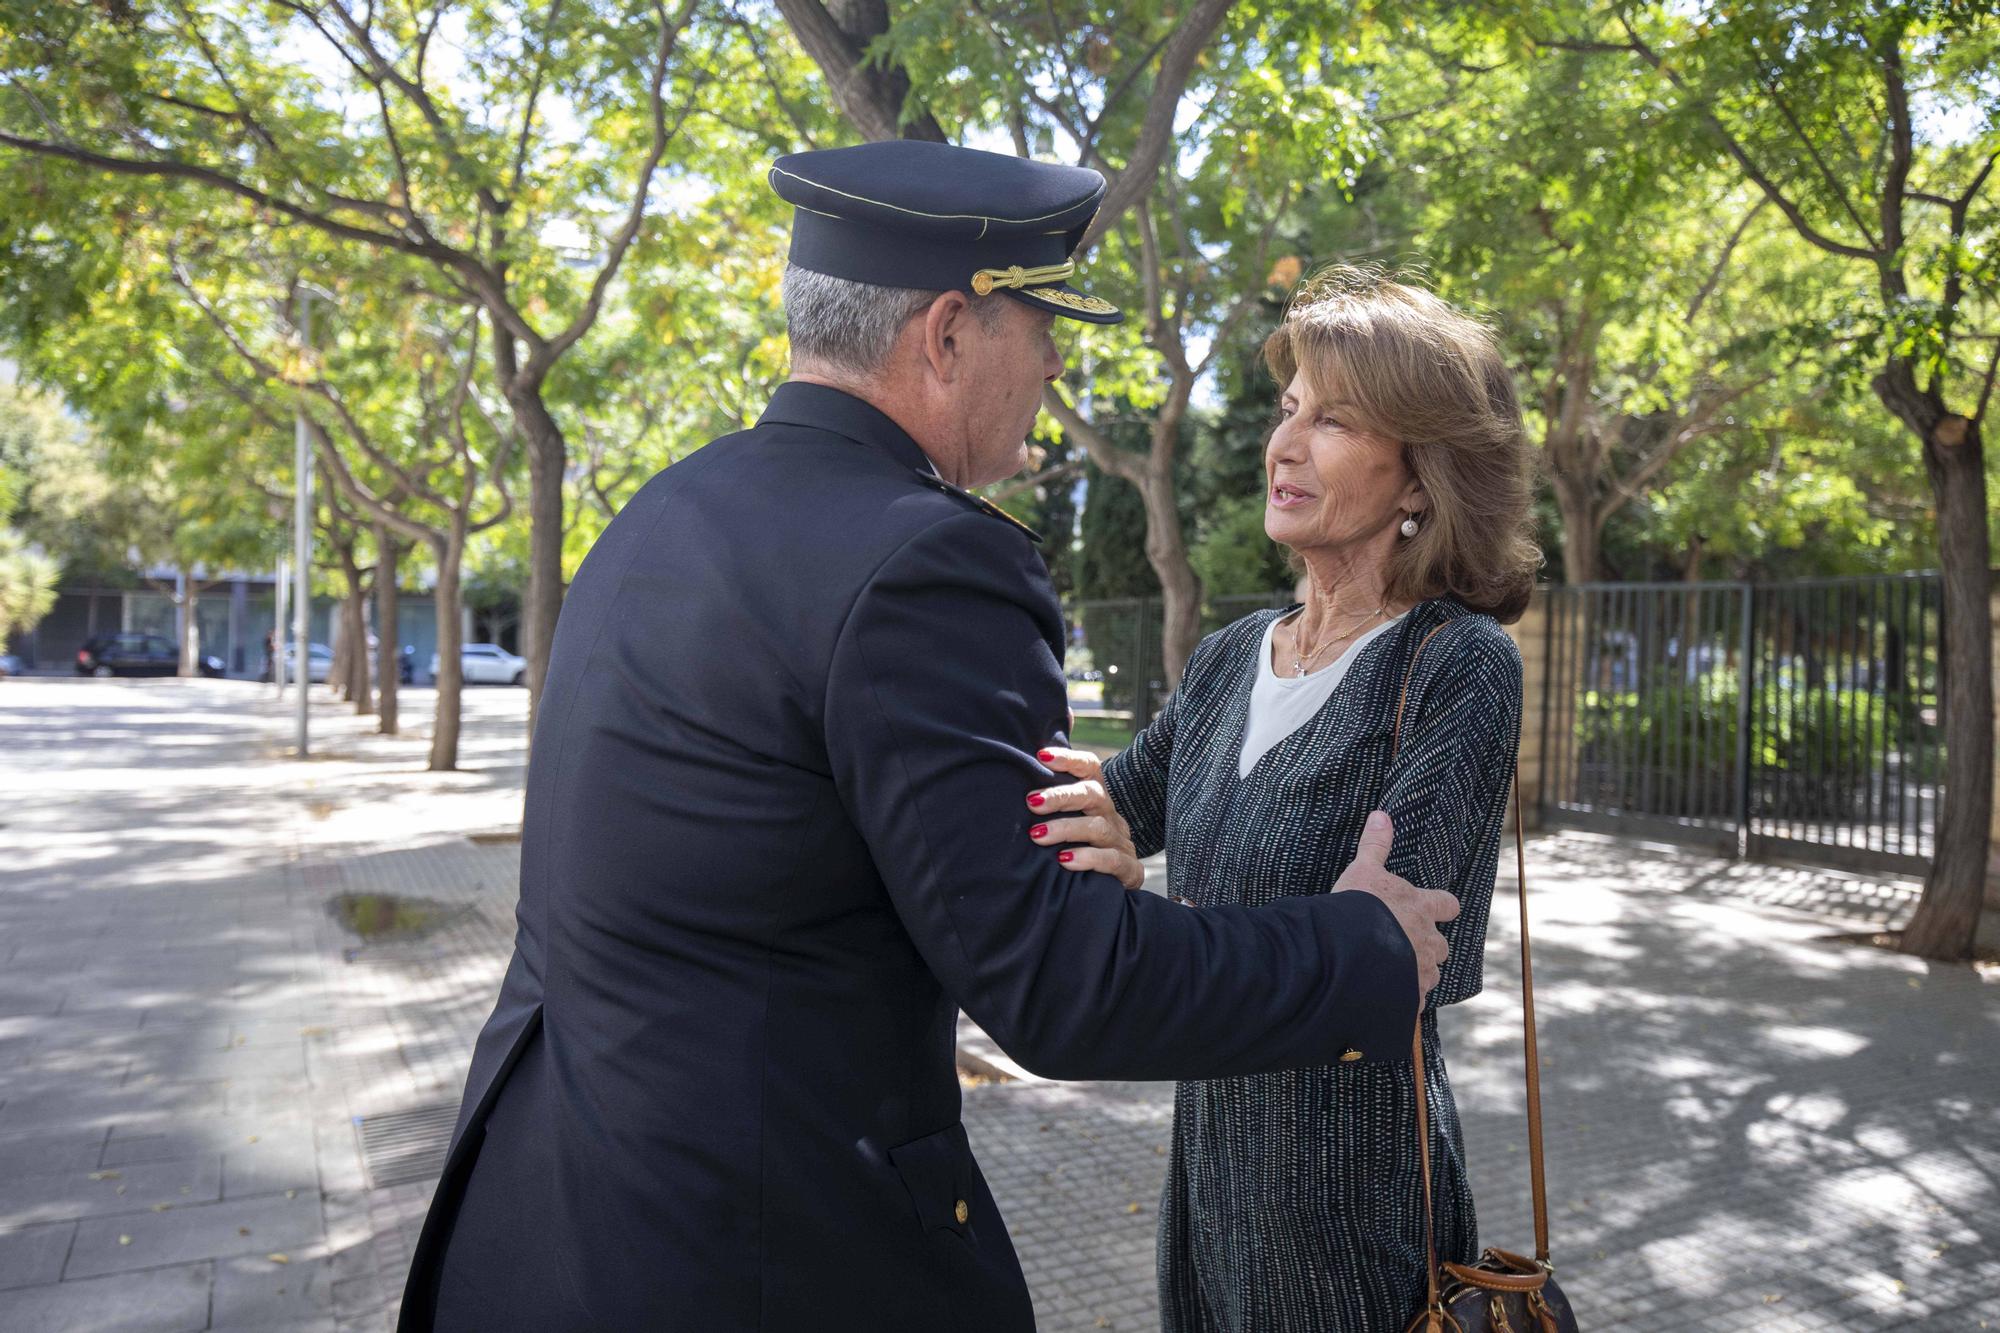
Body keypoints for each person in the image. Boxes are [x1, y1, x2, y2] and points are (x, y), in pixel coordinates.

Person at [396, 145, 1458, 1332]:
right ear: (948, 334)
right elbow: (1060, 989)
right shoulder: (927, 560)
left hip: (543, 1226)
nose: (1055, 362)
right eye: (1039, 321)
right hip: (757, 1257)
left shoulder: (667, 508)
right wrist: (1361, 946)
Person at [1030, 267, 1539, 1331]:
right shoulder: (1226, 661)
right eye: (1286, 409)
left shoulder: (1455, 665)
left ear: (1416, 479)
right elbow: (1100, 816)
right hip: (1206, 1189)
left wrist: (1162, 924)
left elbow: (1396, 951)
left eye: (1334, 419)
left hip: (1350, 1212)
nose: (1283, 443)